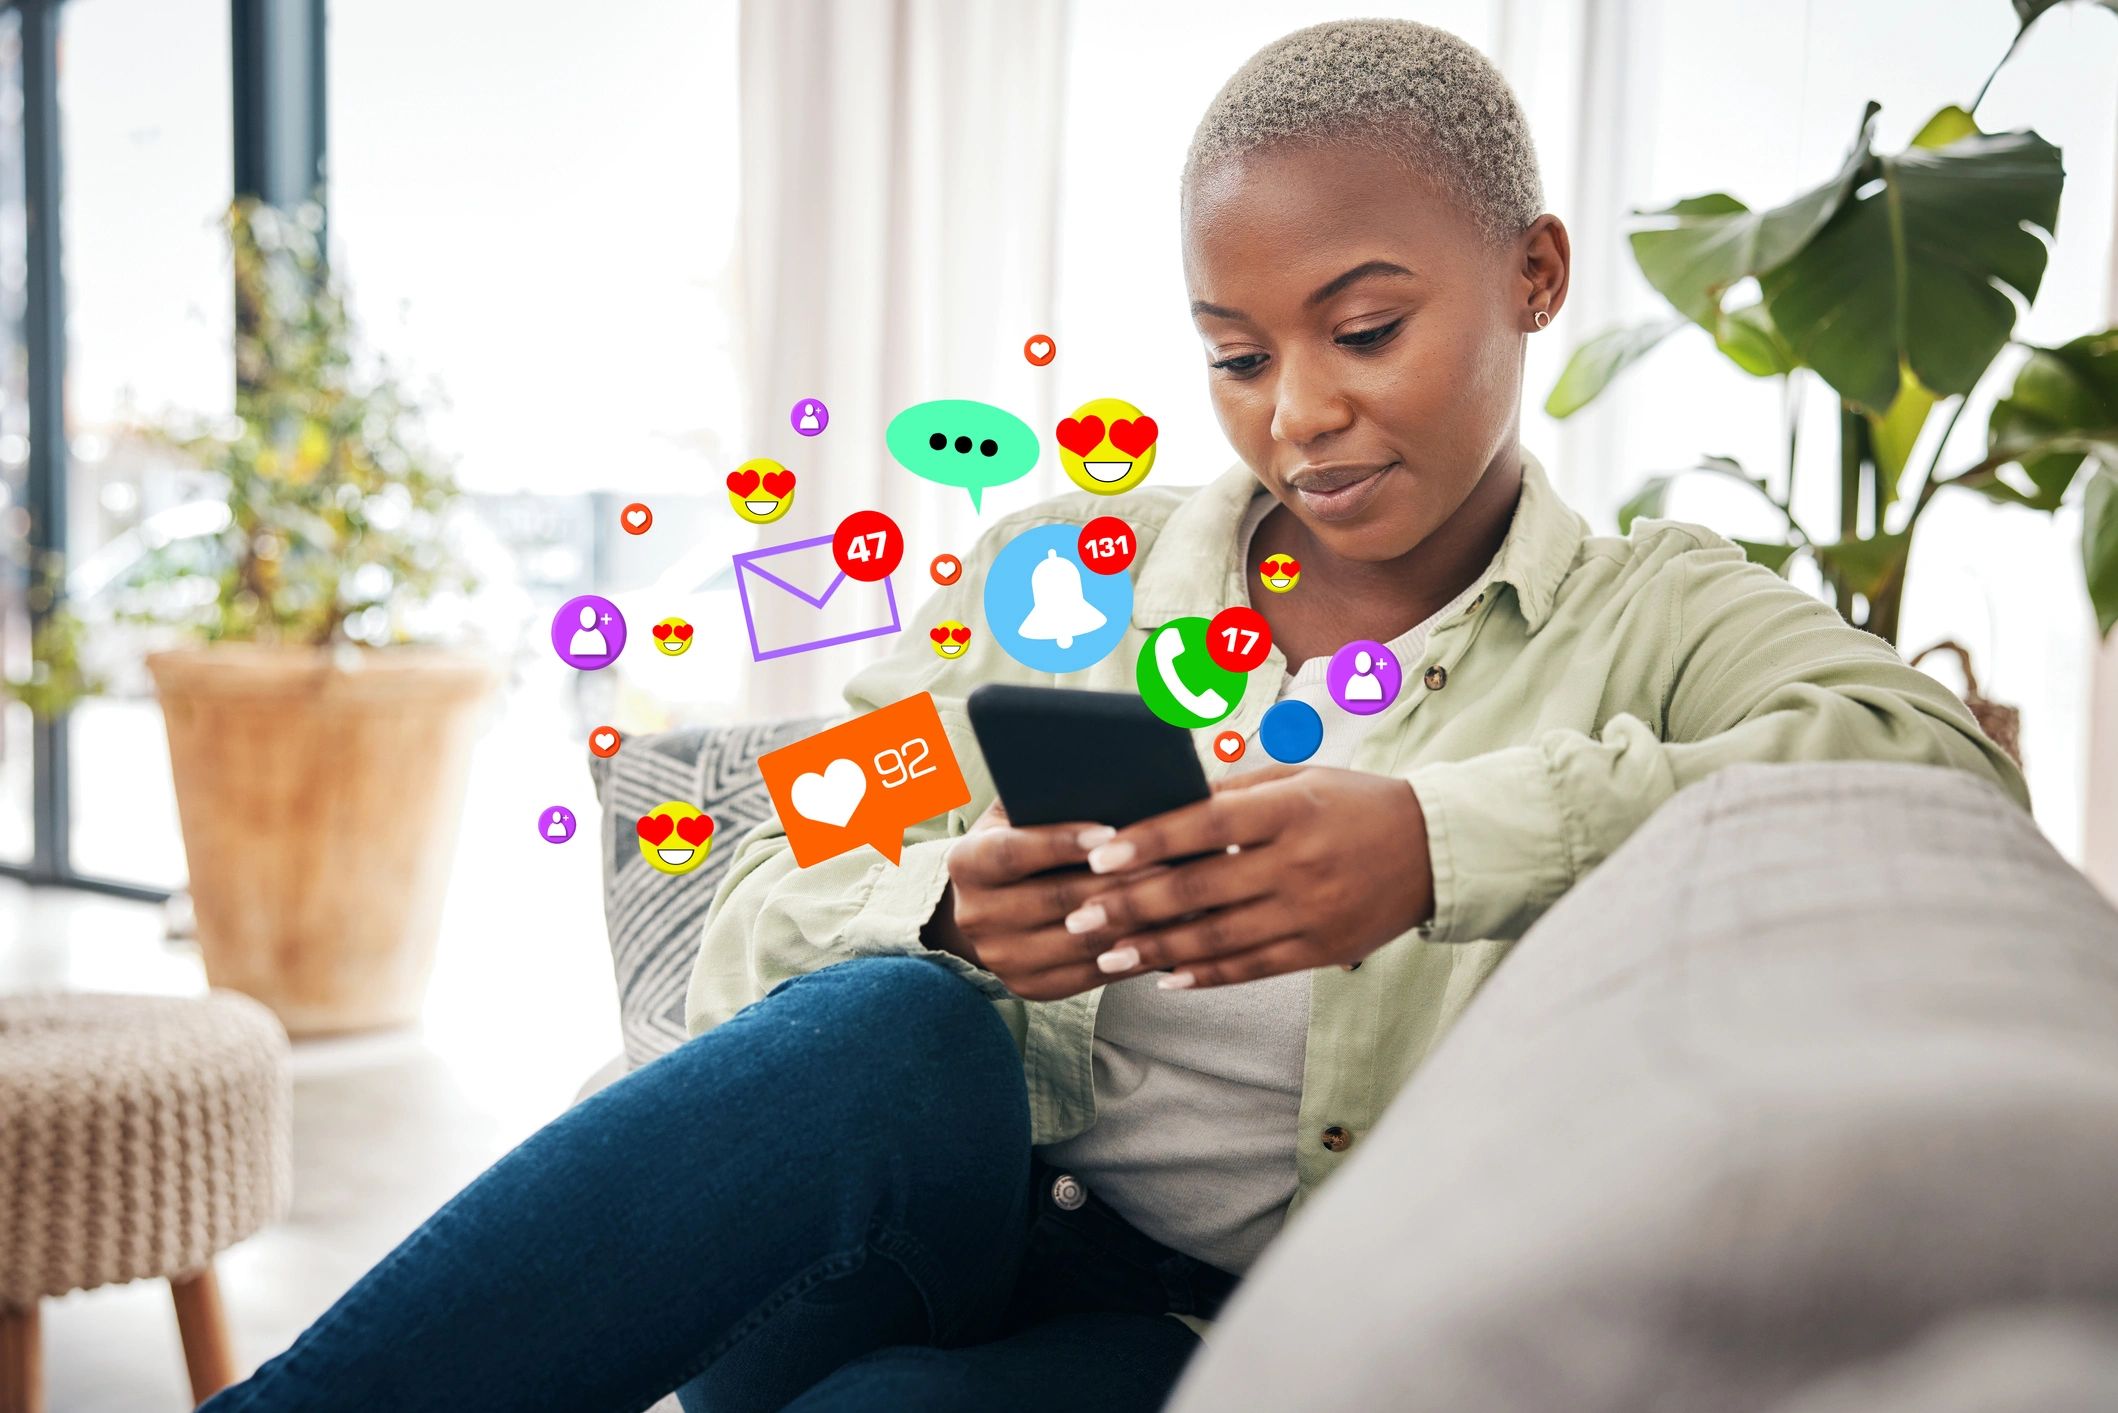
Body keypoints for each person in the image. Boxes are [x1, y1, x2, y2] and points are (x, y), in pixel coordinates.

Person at [200, 18, 2029, 1413]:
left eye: (1363, 328)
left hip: (1214, 1330)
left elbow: (1934, 771)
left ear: (1532, 279)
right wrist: (941, 904)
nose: (1292, 410)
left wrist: (1431, 844)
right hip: (945, 1216)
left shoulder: (1650, 619)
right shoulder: (1054, 585)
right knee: (896, 1027)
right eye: (1236, 354)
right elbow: (777, 844)